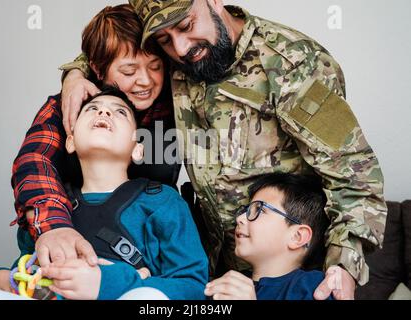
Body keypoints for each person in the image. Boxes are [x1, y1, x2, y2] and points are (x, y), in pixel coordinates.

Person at [60, 0, 388, 300]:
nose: (181, 48)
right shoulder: (174, 54)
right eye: (164, 39)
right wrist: (76, 71)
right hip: (215, 274)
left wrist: (343, 264)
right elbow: (118, 47)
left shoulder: (294, 63)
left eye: (187, 25)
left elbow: (353, 172)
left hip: (289, 277)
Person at [0, 87, 208, 300]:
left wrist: (107, 283)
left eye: (120, 112)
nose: (104, 111)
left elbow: (193, 286)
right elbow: (22, 270)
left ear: (138, 148)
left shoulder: (162, 201)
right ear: (70, 142)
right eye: (92, 108)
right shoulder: (52, 211)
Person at [10, 5, 182, 275]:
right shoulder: (71, 107)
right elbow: (35, 161)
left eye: (156, 66)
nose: (146, 80)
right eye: (128, 72)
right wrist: (56, 228)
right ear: (97, 70)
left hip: (144, 248)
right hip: (70, 229)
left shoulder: (175, 101)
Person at [205, 172, 334, 300]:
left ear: (297, 236)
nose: (239, 218)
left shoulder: (316, 288)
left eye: (259, 210)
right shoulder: (227, 286)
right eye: (246, 211)